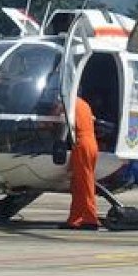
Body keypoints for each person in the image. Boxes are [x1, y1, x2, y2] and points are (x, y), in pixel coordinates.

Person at [61, 96, 100, 230]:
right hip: (91, 142)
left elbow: (56, 120)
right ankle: (76, 219)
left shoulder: (68, 104)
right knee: (78, 183)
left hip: (81, 143)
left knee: (84, 182)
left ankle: (90, 218)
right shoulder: (84, 104)